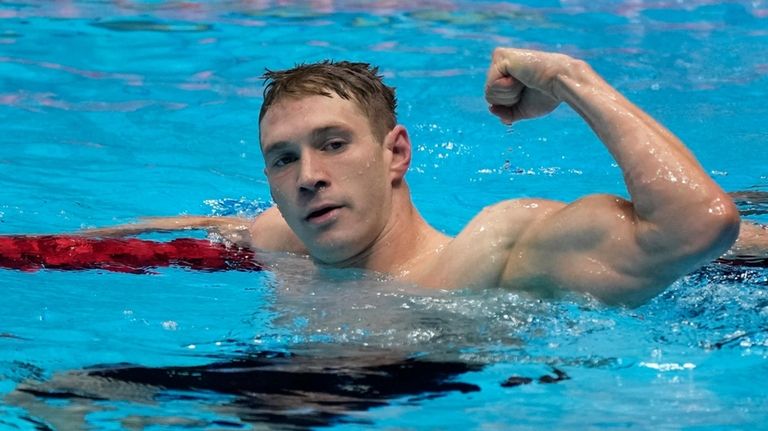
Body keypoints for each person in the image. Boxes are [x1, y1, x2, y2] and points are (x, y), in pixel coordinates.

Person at [85, 47, 752, 307]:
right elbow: (210, 228)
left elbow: (698, 224)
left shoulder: (496, 255)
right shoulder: (288, 246)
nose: (308, 177)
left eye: (334, 144)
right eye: (284, 159)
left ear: (396, 153)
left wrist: (570, 80)